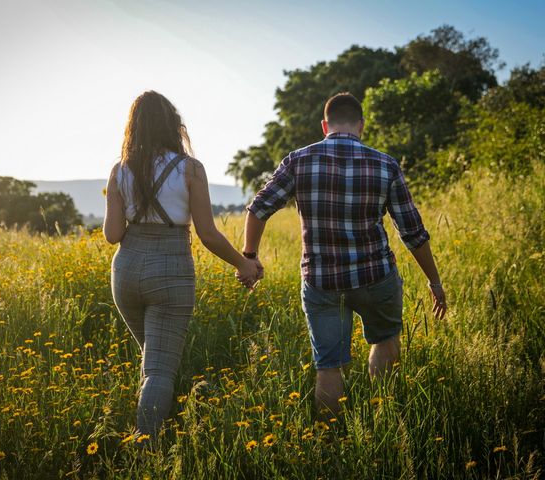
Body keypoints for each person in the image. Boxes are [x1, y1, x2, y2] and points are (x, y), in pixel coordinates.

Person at [241, 92, 446, 419]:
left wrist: (249, 256)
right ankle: (385, 422)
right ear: (361, 126)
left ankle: (329, 441)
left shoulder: (299, 160)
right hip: (375, 277)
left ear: (325, 125)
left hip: (322, 283)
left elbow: (258, 209)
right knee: (385, 342)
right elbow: (413, 232)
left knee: (329, 367)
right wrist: (434, 281)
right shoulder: (385, 164)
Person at [103, 91, 260, 441]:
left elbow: (112, 234)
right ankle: (148, 450)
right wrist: (243, 264)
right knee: (159, 368)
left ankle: (157, 428)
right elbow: (208, 234)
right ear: (173, 126)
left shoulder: (119, 170)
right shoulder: (190, 169)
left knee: (153, 360)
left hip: (126, 268)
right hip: (170, 269)